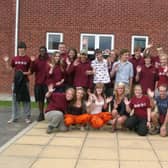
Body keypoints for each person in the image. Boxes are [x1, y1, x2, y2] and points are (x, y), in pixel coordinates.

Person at [3, 41, 32, 124]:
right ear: (18, 49)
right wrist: (6, 62)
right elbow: (9, 69)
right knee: (15, 100)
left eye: (22, 48)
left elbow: (30, 72)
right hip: (16, 83)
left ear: (25, 49)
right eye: (19, 48)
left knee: (26, 99)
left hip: (25, 82)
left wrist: (23, 73)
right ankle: (14, 117)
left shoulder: (28, 59)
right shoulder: (14, 58)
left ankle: (27, 117)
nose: (21, 50)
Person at [30, 46, 50, 121]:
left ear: (46, 51)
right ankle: (41, 114)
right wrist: (32, 62)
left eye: (43, 51)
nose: (42, 52)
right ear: (39, 52)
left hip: (47, 83)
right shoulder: (36, 60)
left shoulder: (49, 60)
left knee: (49, 100)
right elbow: (32, 70)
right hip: (38, 83)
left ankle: (48, 114)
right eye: (41, 51)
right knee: (40, 100)